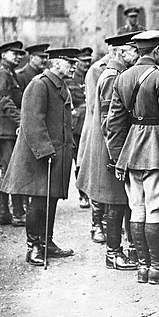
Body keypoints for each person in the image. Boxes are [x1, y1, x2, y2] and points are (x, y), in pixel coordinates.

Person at [107, 30, 159, 284]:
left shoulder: (122, 78)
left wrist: (117, 157)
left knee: (137, 208)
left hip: (131, 149)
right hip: (157, 146)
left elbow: (113, 124)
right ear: (155, 51)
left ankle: (143, 267)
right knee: (156, 208)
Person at [2, 48, 79, 265]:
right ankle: (33, 246)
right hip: (41, 155)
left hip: (56, 153)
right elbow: (32, 121)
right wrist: (45, 151)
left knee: (51, 198)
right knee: (38, 200)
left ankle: (47, 242)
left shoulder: (59, 85)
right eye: (69, 62)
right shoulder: (39, 84)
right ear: (55, 64)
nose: (74, 66)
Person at [77, 32, 139, 241]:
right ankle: (103, 231)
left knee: (113, 193)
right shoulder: (107, 74)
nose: (138, 54)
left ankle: (113, 236)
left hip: (110, 138)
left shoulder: (121, 72)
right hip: (106, 140)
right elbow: (105, 114)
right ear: (121, 52)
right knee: (108, 190)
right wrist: (117, 151)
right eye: (134, 50)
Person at [0, 41, 26, 226]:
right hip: (4, 127)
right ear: (3, 55)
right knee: (10, 168)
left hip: (6, 126)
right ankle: (15, 213)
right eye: (14, 53)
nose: (18, 56)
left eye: (19, 54)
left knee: (7, 167)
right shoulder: (2, 73)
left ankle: (5, 213)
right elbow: (4, 102)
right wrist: (21, 121)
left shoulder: (9, 73)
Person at [66, 47, 92, 209]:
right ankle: (82, 194)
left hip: (89, 125)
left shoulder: (93, 75)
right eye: (83, 61)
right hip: (76, 127)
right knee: (78, 161)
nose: (87, 64)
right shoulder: (70, 79)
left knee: (90, 160)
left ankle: (90, 193)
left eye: (89, 61)